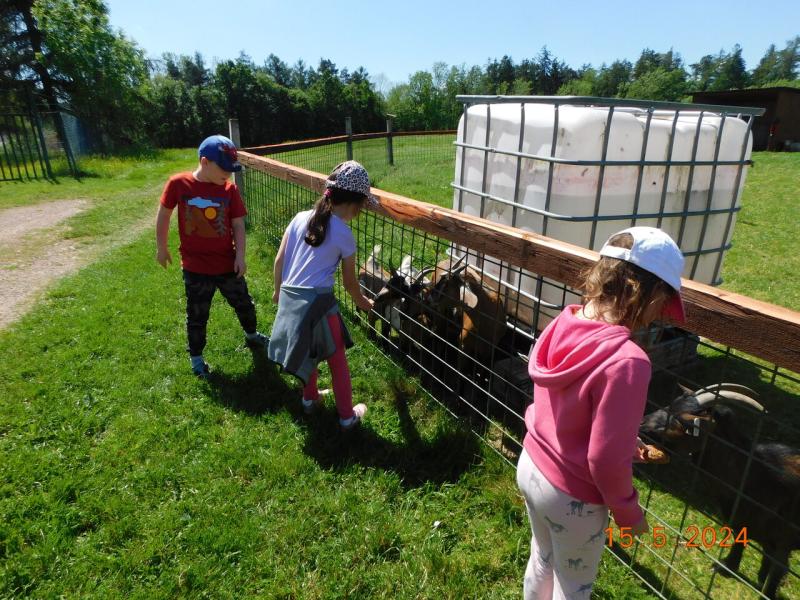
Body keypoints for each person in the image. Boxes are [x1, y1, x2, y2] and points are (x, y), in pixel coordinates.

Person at [516, 226, 686, 599]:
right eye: (663, 303)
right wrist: (628, 513)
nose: (659, 315)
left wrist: (625, 439)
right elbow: (604, 459)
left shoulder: (565, 321)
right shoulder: (628, 361)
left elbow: (569, 408)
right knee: (572, 586)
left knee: (542, 558)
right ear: (646, 293)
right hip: (571, 497)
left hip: (531, 464)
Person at [267, 161, 375, 431]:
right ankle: (347, 417)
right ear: (356, 204)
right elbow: (349, 283)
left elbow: (279, 260)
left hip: (290, 298)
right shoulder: (344, 234)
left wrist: (277, 291)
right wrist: (363, 303)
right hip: (318, 304)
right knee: (337, 359)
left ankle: (309, 399)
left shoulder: (299, 218)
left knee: (309, 351)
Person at [155, 134, 268, 378]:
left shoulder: (229, 189)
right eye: (224, 168)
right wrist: (161, 247)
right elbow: (164, 214)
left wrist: (240, 256)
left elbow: (238, 224)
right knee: (197, 315)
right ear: (204, 162)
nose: (228, 174)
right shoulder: (178, 184)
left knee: (244, 304)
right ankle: (196, 358)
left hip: (227, 264)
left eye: (231, 169)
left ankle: (251, 335)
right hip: (195, 268)